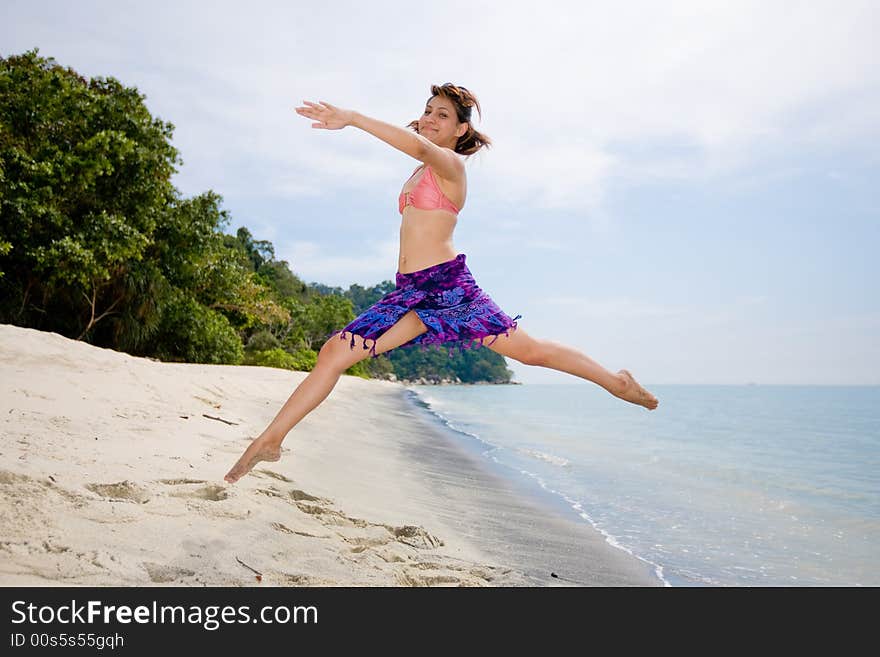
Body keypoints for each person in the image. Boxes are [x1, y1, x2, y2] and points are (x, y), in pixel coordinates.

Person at [224, 83, 658, 484]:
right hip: (410, 291)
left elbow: (415, 143)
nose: (431, 118)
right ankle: (272, 440)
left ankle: (615, 382)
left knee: (530, 352)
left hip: (448, 288)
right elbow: (414, 146)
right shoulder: (418, 171)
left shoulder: (450, 165)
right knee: (334, 352)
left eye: (443, 115)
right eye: (427, 111)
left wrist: (353, 118)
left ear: (461, 128)